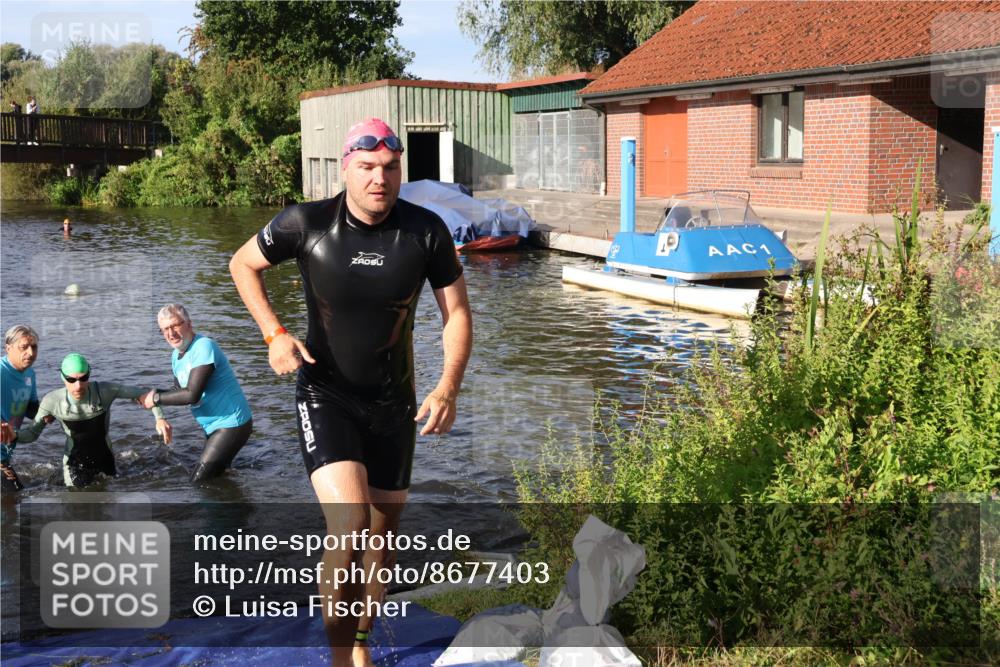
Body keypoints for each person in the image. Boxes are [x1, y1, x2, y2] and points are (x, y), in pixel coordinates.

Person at [229, 117, 472, 666]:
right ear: (346, 169)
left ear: (400, 170)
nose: (378, 179)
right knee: (349, 525)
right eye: (366, 168)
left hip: (395, 404)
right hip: (326, 394)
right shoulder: (306, 222)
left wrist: (448, 386)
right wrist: (274, 333)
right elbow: (243, 264)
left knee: (379, 548)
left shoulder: (425, 232)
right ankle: (341, 661)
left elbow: (456, 314)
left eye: (389, 168)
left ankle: (359, 647)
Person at [3, 353, 172, 489]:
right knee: (76, 505)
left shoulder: (104, 391)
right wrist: (14, 435)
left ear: (89, 375)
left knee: (109, 503)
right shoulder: (52, 401)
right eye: (71, 380)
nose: (78, 385)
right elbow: (32, 433)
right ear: (63, 378)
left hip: (106, 457)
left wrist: (160, 418)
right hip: (73, 463)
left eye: (83, 378)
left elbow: (145, 394)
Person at [139, 304, 253, 482]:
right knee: (218, 478)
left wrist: (155, 398)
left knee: (199, 482)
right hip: (213, 426)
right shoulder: (176, 355)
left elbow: (192, 394)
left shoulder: (203, 346)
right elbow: (179, 391)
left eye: (175, 326)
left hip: (232, 424)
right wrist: (155, 400)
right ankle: (233, 506)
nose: (171, 333)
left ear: (189, 324)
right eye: (165, 329)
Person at [1, 325, 40, 492]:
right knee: (15, 495)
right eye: (24, 347)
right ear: (8, 348)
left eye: (34, 347)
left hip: (6, 450)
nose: (31, 353)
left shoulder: (30, 374)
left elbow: (32, 408)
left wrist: (52, 411)